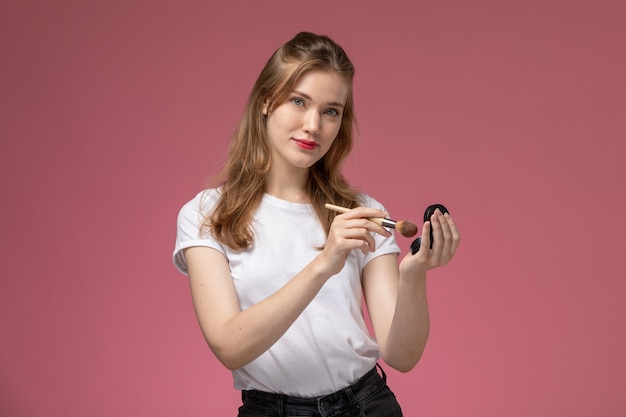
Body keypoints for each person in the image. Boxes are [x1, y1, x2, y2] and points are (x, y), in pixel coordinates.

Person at [173, 31, 460, 417]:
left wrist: (414, 273)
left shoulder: (361, 212)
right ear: (264, 102)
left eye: (331, 111)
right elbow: (229, 345)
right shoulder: (207, 214)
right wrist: (325, 262)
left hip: (365, 405)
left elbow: (402, 355)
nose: (313, 125)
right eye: (298, 101)